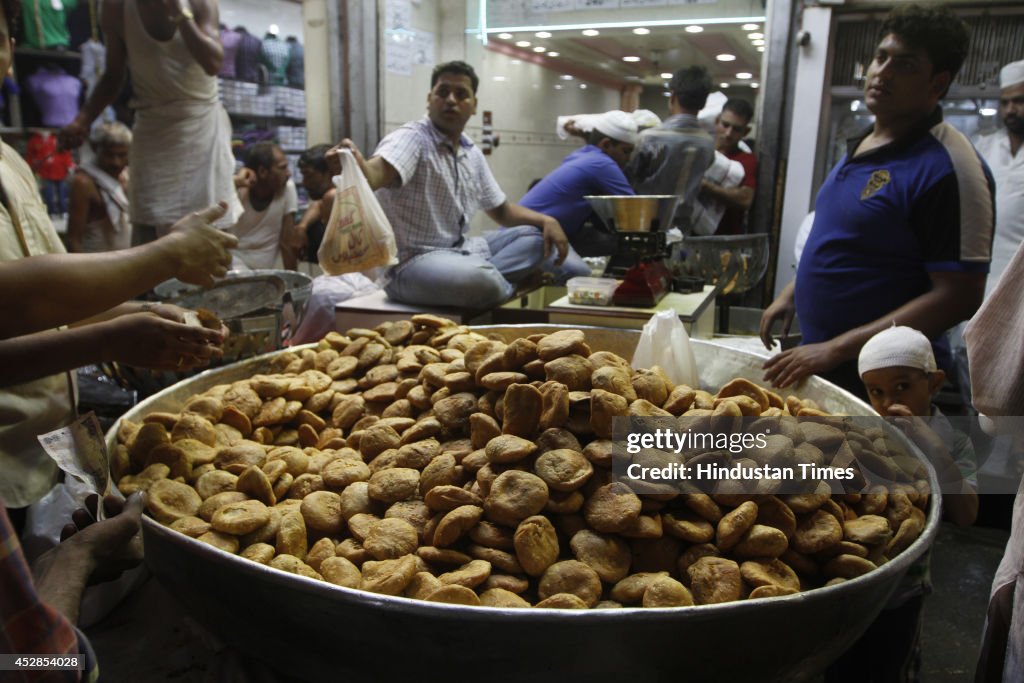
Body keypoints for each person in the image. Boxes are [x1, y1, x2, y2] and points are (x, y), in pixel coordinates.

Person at [759, 4, 994, 398]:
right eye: (881, 57)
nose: (882, 72)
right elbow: (851, 240)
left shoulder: (950, 166)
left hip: (888, 382)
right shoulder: (863, 142)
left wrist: (836, 348)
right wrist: (793, 292)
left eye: (904, 65)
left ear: (937, 83)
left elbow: (959, 296)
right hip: (826, 364)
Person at [332, 60, 569, 310]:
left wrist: (546, 221)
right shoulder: (413, 138)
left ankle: (486, 285)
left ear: (474, 105)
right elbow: (377, 173)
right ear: (429, 98)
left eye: (461, 94)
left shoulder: (470, 151)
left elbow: (502, 211)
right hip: (413, 264)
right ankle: (501, 288)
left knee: (533, 239)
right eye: (442, 92)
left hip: (462, 251)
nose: (451, 100)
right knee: (479, 280)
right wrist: (360, 168)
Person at [824, 325, 978, 683]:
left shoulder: (953, 442)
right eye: (876, 391)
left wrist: (933, 449)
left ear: (935, 383)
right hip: (852, 589)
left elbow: (968, 514)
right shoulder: (868, 431)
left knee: (890, 664)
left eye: (903, 387)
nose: (888, 401)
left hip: (904, 590)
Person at [59, 0, 240, 244]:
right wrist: (82, 120)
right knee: (148, 230)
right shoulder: (115, 6)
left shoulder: (199, 3)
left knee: (211, 230)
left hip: (201, 128)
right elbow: (114, 74)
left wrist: (181, 14)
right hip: (152, 127)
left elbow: (213, 62)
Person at [517, 110, 637, 270]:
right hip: (533, 239)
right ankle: (618, 290)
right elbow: (635, 209)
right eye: (626, 151)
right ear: (606, 144)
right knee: (632, 244)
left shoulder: (582, 155)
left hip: (532, 234)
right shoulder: (602, 163)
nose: (628, 159)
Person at [626, 65, 716, 228]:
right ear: (703, 103)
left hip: (645, 222)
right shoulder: (708, 143)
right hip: (682, 227)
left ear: (672, 96)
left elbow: (630, 178)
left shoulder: (649, 138)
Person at [974, 59, 1024, 298]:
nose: (1010, 109)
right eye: (1005, 102)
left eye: (1019, 101)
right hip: (982, 281)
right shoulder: (985, 147)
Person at [228, 141, 298, 271]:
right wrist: (235, 182)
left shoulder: (287, 188)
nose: (288, 174)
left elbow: (286, 243)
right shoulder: (237, 190)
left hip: (263, 273)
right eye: (282, 168)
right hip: (233, 266)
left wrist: (295, 284)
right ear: (262, 171)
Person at [67, 121, 132, 253]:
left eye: (122, 155)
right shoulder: (84, 183)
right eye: (109, 155)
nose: (116, 162)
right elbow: (73, 240)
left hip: (127, 263)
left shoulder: (127, 176)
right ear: (95, 148)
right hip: (96, 265)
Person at [699, 98, 757, 235]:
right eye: (725, 125)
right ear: (717, 121)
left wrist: (706, 185)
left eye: (736, 129)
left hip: (726, 239)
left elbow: (745, 199)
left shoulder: (747, 161)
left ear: (746, 131)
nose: (728, 133)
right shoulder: (701, 152)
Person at [291, 143, 335, 266]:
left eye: (309, 175)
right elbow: (319, 204)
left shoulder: (333, 196)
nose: (305, 183)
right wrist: (301, 227)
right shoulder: (328, 199)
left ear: (330, 173)